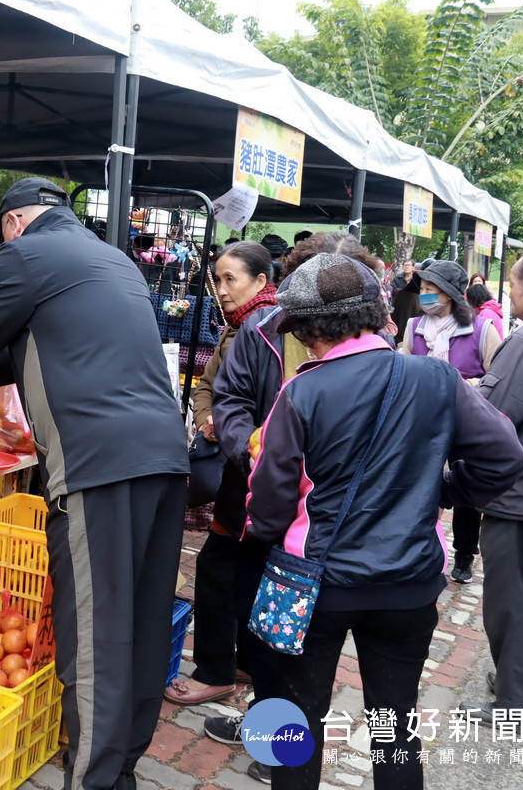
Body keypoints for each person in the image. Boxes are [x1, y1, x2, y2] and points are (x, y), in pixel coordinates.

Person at [0, 177, 189, 790]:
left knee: (94, 638)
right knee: (143, 622)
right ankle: (121, 767)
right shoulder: (109, 257)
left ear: (12, 225)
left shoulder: (28, 253)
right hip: (162, 460)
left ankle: (93, 781)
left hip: (98, 468)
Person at [247, 253, 523, 790]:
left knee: (294, 722)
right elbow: (504, 457)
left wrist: (266, 533)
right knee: (394, 726)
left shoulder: (301, 392)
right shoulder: (437, 378)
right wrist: (443, 491)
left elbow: (269, 501)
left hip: (317, 587)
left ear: (306, 330)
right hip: (409, 585)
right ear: (376, 314)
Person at [204, 230, 387, 784]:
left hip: (338, 523)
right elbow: (230, 398)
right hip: (267, 514)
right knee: (264, 633)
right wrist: (253, 450)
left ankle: (291, 745)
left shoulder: (377, 341)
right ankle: (272, 731)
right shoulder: (262, 334)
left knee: (308, 647)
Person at [165, 241, 276, 708]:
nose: (222, 288)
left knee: (216, 568)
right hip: (238, 466)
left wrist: (232, 428)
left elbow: (271, 404)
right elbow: (210, 384)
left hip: (250, 470)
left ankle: (215, 671)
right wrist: (210, 415)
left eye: (232, 279)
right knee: (244, 568)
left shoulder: (266, 330)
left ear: (261, 282)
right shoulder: (238, 327)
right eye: (219, 278)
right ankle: (244, 661)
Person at [462, 247, 523, 738]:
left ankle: (520, 704)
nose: (508, 293)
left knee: (512, 601)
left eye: (512, 284)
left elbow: (495, 420)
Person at [399, 259, 502, 584]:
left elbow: (497, 377)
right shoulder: (414, 327)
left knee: (464, 490)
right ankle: (414, 547)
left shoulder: (482, 330)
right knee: (417, 484)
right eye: (423, 290)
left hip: (464, 423)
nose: (425, 296)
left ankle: (464, 554)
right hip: (420, 423)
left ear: (452, 294)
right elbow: (402, 369)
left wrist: (470, 386)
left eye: (432, 290)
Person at [389, 258, 420, 345]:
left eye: (408, 265)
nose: (406, 267)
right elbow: (393, 289)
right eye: (404, 265)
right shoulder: (397, 278)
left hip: (413, 306)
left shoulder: (417, 279)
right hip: (399, 305)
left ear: (413, 268)